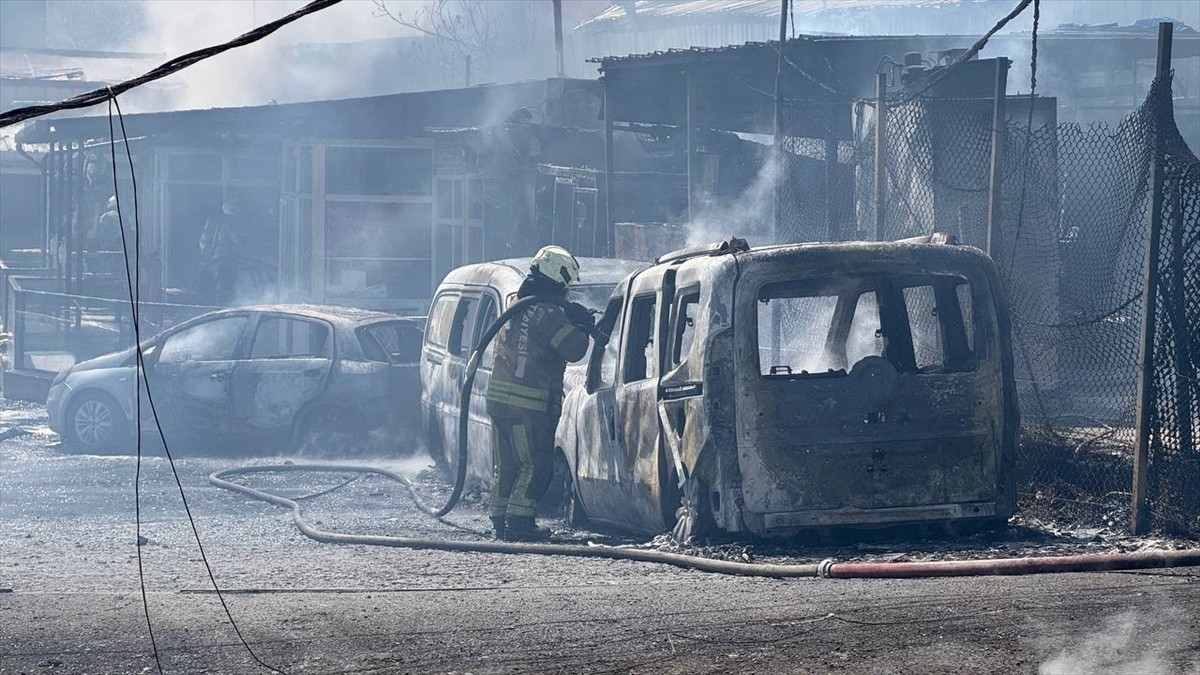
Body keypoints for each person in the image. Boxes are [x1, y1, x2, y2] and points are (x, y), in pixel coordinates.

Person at [485, 245, 597, 541]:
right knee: (535, 465)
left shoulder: (517, 306)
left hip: (499, 401)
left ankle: (500, 520)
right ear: (558, 279)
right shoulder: (549, 314)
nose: (568, 290)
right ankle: (519, 525)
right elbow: (573, 349)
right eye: (566, 284)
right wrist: (584, 327)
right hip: (529, 406)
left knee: (507, 465)